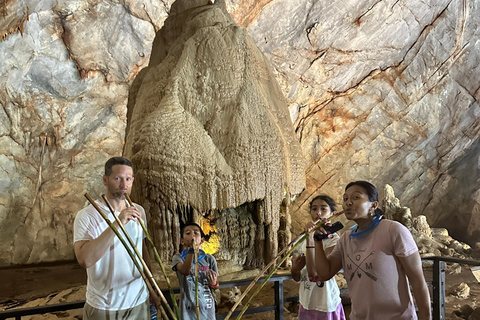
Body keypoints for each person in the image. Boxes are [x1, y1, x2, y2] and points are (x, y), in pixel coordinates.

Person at [314, 181, 431, 320]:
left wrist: (426, 317)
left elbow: (417, 280)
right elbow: (324, 274)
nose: (348, 203)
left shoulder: (393, 230)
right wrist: (317, 241)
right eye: (345, 199)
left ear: (373, 205)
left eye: (356, 197)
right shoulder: (346, 239)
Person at [73, 156, 149, 319]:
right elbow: (84, 259)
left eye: (128, 179)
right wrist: (118, 222)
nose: (124, 185)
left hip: (138, 301)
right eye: (118, 178)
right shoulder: (87, 215)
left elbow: (142, 249)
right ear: (105, 180)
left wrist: (150, 286)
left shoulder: (139, 211)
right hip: (104, 305)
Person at [291, 195, 346, 320]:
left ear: (333, 213)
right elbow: (297, 277)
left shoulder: (335, 241)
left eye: (323, 209)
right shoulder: (301, 240)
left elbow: (314, 274)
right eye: (314, 209)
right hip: (306, 302)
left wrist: (311, 238)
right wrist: (295, 270)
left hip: (325, 304)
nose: (318, 213)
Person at [172, 222, 219, 320]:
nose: (192, 235)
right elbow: (185, 271)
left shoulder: (209, 259)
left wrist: (213, 283)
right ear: (182, 241)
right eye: (188, 233)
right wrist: (191, 251)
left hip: (207, 307)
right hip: (187, 309)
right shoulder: (178, 258)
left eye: (196, 233)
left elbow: (216, 285)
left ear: (202, 240)